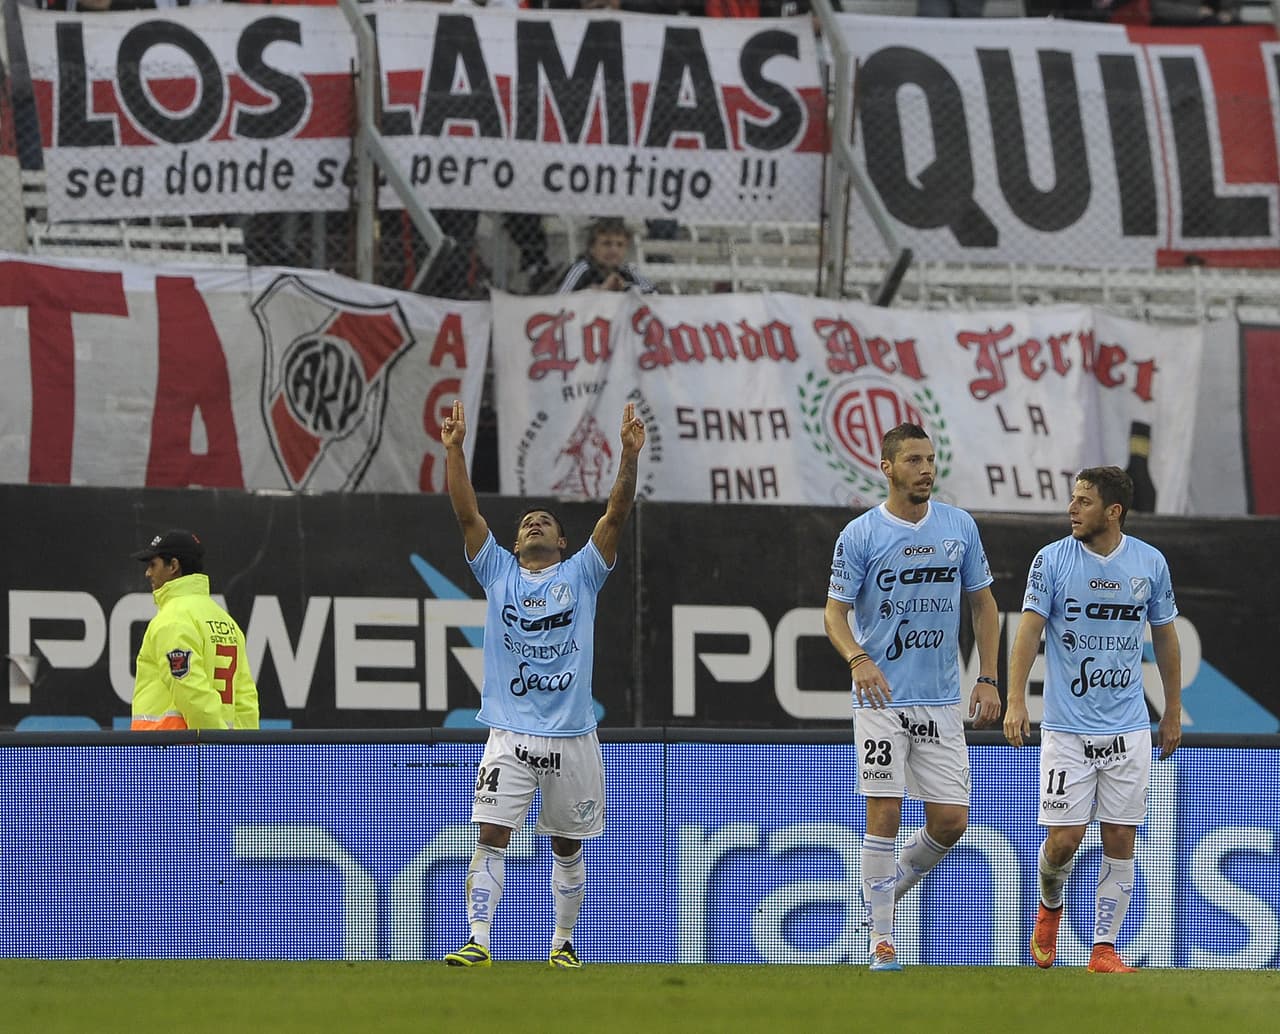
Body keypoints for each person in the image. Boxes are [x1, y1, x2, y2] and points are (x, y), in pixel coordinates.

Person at [439, 398, 646, 968]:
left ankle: (561, 943)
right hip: (508, 733)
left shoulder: (581, 573)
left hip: (573, 736)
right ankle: (478, 937)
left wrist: (628, 456)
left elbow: (616, 514)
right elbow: (466, 514)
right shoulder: (497, 571)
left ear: (561, 543)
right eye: (525, 521)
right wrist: (455, 450)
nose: (534, 523)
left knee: (566, 844)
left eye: (546, 522)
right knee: (491, 833)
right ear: (511, 545)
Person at [824, 423, 1001, 972]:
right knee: (886, 810)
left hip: (941, 698)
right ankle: (881, 941)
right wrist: (858, 658)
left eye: (930, 459)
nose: (926, 469)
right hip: (880, 700)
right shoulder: (860, 534)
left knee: (951, 820)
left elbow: (984, 606)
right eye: (914, 460)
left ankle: (883, 894)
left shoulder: (959, 527)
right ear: (887, 467)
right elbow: (834, 614)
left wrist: (989, 677)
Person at [1003, 466, 1181, 973]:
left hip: (1127, 726)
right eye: (1072, 499)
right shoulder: (1052, 561)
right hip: (1066, 729)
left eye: (1083, 501)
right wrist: (1017, 700)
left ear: (1113, 511)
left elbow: (1165, 636)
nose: (1072, 508)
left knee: (1121, 836)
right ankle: (1051, 907)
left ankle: (1103, 948)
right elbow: (1028, 634)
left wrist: (1170, 709)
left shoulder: (1149, 564)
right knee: (1064, 840)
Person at [131, 529, 260, 731]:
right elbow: (246, 700)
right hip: (220, 755)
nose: (148, 573)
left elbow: (191, 692)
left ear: (173, 566)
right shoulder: (226, 621)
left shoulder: (172, 619)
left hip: (174, 755)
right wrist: (239, 754)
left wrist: (215, 750)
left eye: (152, 564)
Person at [553, 216, 657, 295]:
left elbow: (655, 295)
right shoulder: (581, 268)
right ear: (591, 248)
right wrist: (599, 290)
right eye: (606, 243)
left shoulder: (629, 270)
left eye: (620, 245)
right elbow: (560, 299)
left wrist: (625, 287)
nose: (614, 250)